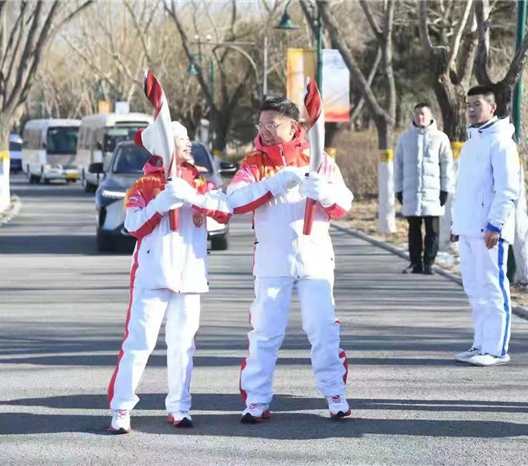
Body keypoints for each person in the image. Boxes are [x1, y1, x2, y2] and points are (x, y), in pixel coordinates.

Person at [227, 97, 354, 423]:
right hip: (272, 262)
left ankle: (335, 393)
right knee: (265, 333)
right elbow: (234, 201)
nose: (265, 131)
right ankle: (257, 399)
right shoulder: (254, 163)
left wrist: (324, 192)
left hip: (314, 259)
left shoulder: (319, 158)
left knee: (323, 329)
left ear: (293, 126)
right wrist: (274, 183)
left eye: (272, 124)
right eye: (261, 124)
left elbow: (345, 202)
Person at [107, 122, 231, 433]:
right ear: (164, 146)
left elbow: (225, 211)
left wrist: (192, 196)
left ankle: (179, 407)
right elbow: (132, 225)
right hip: (153, 276)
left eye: (189, 138)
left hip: (190, 276)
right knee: (139, 344)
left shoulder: (201, 183)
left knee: (183, 346)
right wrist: (161, 203)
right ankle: (122, 407)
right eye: (182, 139)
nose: (189, 144)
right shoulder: (144, 186)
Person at [450, 86, 521, 367]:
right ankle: (480, 344)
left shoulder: (501, 142)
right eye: (468, 104)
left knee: (493, 289)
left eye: (477, 104)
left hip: (489, 232)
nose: (471, 109)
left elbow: (508, 189)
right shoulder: (471, 143)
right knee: (475, 289)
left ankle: (497, 349)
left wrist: (496, 223)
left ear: (492, 108)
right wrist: (456, 223)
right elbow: (464, 189)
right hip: (468, 229)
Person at [394, 103, 453, 274]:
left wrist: (445, 189)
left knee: (432, 230)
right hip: (411, 191)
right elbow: (398, 165)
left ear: (431, 116)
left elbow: (447, 165)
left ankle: (429, 263)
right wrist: (398, 189)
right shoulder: (405, 139)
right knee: (413, 230)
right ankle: (415, 263)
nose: (420, 117)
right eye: (417, 114)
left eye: (423, 114)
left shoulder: (440, 138)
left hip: (433, 192)